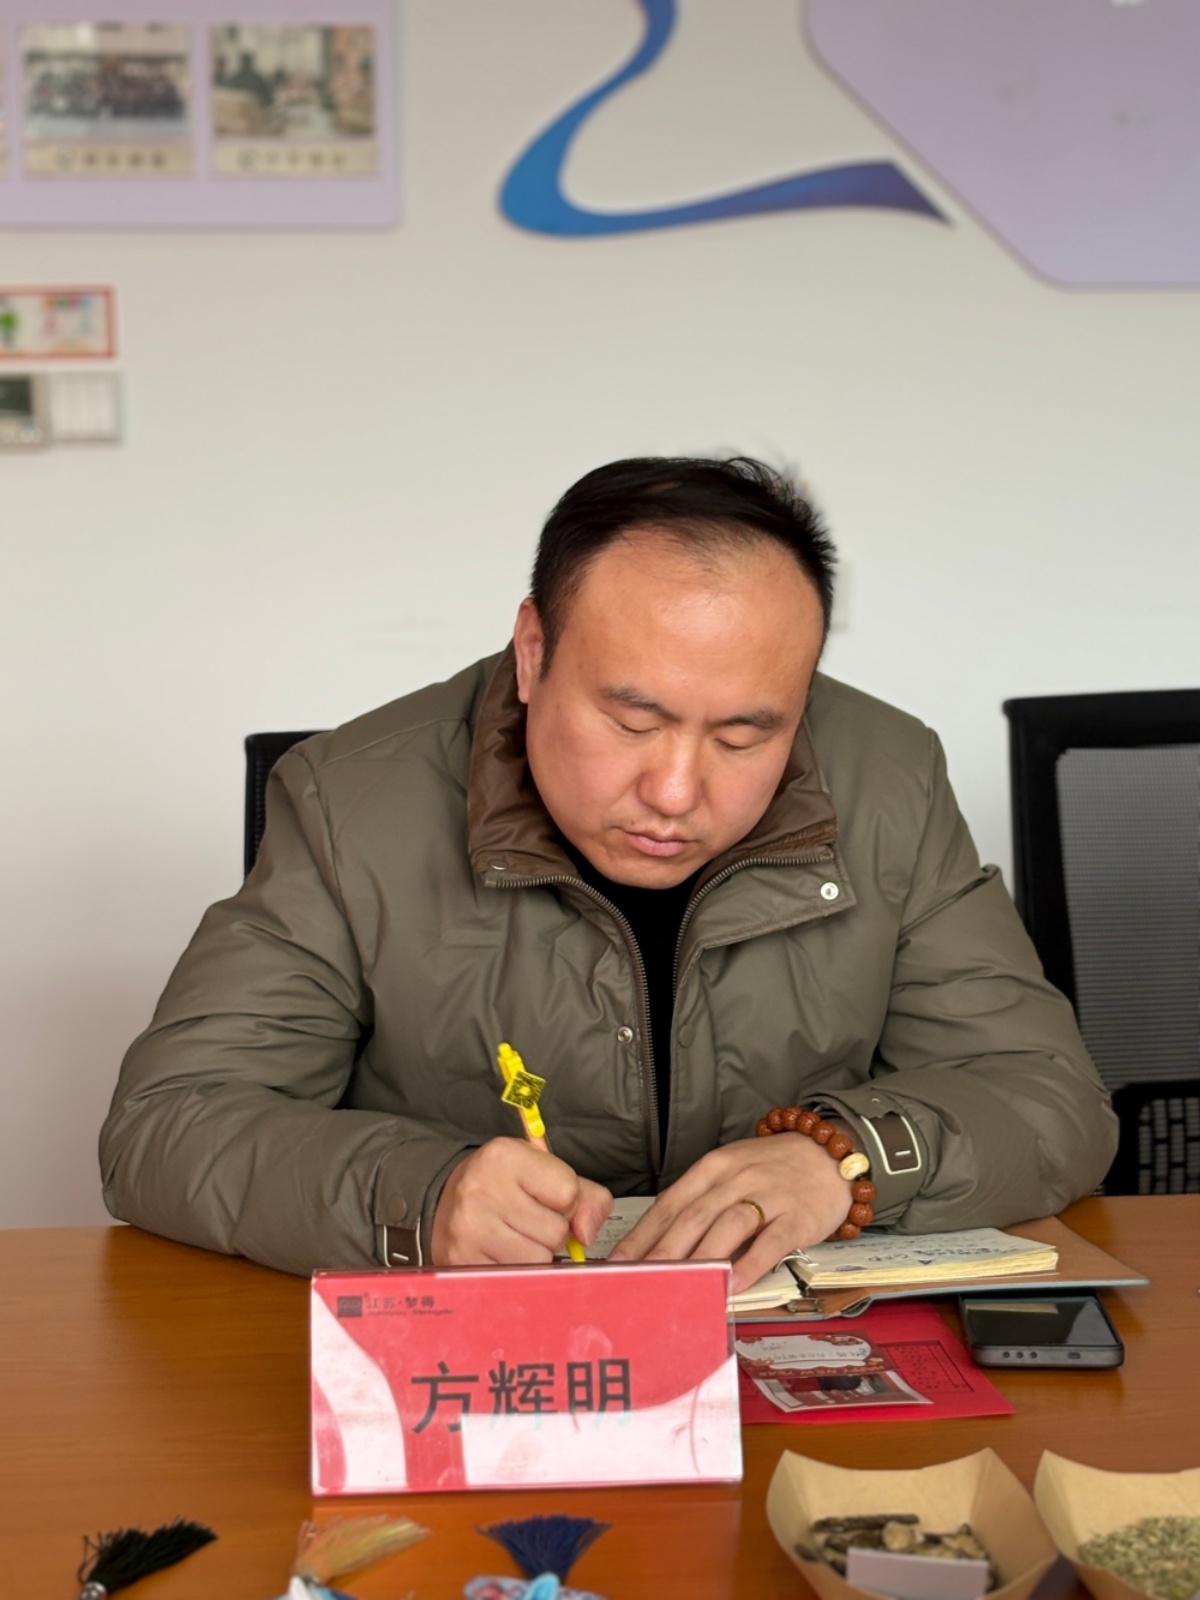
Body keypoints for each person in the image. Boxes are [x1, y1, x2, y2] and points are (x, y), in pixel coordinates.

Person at [100, 456, 1117, 1289]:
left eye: (744, 735)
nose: (674, 792)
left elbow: (1052, 1100)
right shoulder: (349, 802)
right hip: (482, 1371)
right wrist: (419, 1197)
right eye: (632, 721)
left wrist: (843, 1160)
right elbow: (166, 1127)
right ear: (532, 652)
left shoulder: (890, 779)